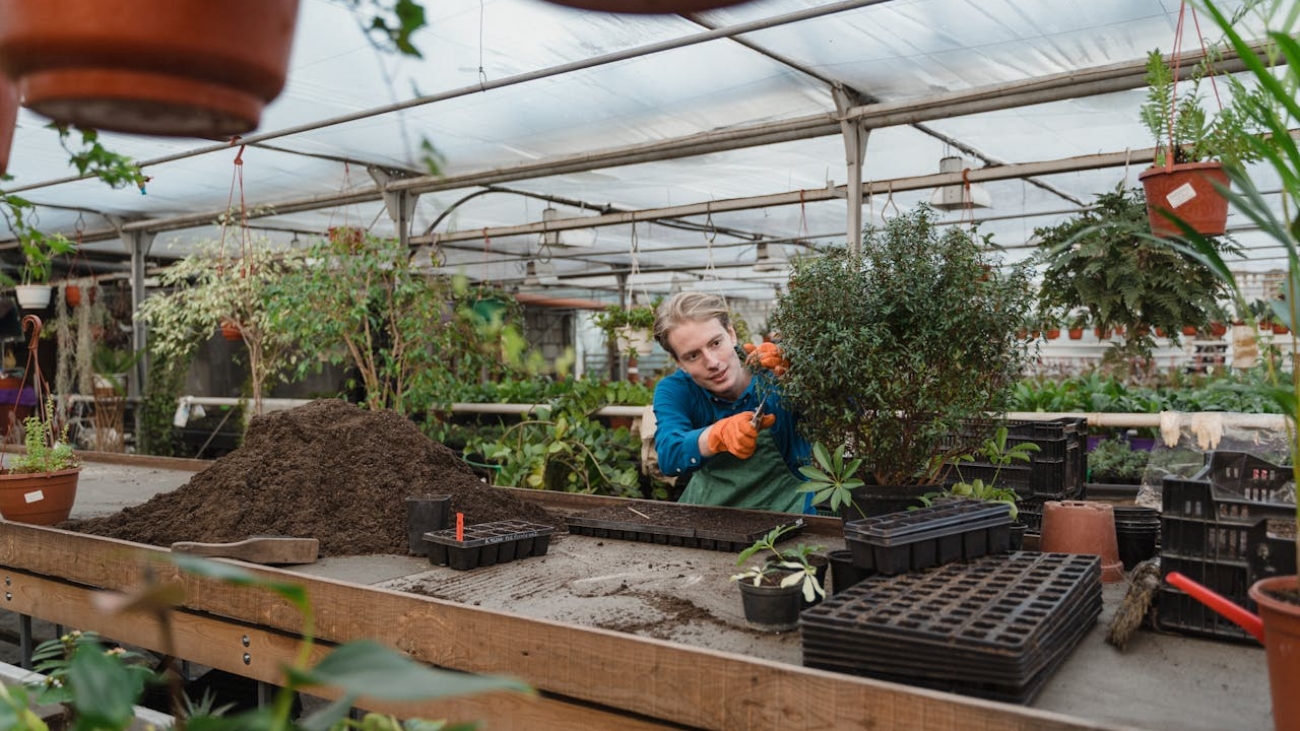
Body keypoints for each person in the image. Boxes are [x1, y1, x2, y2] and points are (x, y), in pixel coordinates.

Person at [651, 292, 811, 513]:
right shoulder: (676, 390)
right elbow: (669, 456)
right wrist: (716, 435)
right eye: (693, 356)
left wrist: (806, 372)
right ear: (680, 363)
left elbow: (852, 407)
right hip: (710, 523)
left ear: (731, 334)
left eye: (715, 343)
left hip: (791, 517)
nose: (713, 362)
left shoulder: (776, 371)